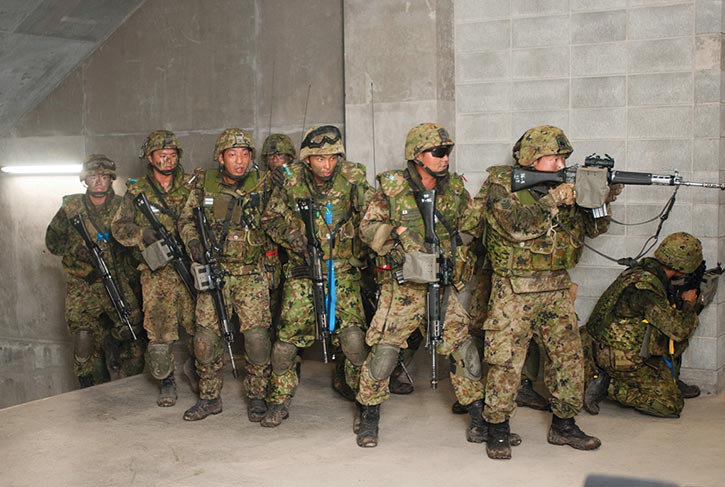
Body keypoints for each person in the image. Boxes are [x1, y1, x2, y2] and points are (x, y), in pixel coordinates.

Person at [479, 125, 616, 459]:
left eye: (562, 158)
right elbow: (516, 225)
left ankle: (564, 425)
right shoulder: (501, 184)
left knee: (568, 356)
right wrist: (555, 199)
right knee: (505, 361)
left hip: (555, 285)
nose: (559, 164)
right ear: (531, 157)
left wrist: (600, 198)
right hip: (514, 287)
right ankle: (497, 428)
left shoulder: (566, 184)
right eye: (553, 157)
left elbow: (595, 230)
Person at [355, 122, 494, 449]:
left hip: (443, 285)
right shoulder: (392, 189)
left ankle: (478, 415)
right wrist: (400, 234)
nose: (445, 158)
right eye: (438, 152)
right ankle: (369, 414)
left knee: (465, 350)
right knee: (385, 355)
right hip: (403, 291)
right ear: (416, 156)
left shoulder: (454, 190)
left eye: (447, 152)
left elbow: (475, 224)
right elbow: (367, 228)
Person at [260, 125, 372, 427]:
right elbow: (270, 219)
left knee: (353, 341)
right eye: (320, 159)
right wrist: (293, 238)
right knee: (285, 344)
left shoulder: (353, 178)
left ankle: (365, 402)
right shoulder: (291, 180)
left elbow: (373, 216)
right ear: (307, 159)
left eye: (333, 158)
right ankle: (278, 400)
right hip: (303, 272)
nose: (327, 165)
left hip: (342, 272)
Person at [178, 128, 278, 422]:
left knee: (257, 339)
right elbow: (186, 220)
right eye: (232, 155)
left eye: (245, 154)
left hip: (251, 273)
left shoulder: (264, 184)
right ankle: (209, 398)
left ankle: (257, 396)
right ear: (220, 158)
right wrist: (193, 243)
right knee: (206, 339)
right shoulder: (202, 185)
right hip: (214, 269)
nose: (239, 161)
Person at [111, 130, 196, 407]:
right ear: (150, 157)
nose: (168, 161)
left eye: (172, 156)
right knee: (160, 331)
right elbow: (118, 227)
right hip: (157, 272)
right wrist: (141, 234)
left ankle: (196, 371)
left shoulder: (191, 186)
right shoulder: (137, 191)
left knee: (199, 325)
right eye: (162, 155)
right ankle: (166, 381)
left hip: (188, 267)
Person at [46, 154, 145, 388]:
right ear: (85, 180)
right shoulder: (71, 207)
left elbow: (134, 245)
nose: (98, 181)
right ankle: (90, 389)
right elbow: (52, 241)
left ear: (111, 179)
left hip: (118, 281)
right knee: (84, 339)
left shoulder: (124, 205)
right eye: (92, 177)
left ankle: (128, 384)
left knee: (133, 333)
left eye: (104, 177)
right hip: (84, 284)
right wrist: (77, 250)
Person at [583, 232, 705, 418]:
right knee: (670, 405)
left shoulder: (642, 271)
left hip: (600, 344)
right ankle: (609, 385)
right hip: (618, 357)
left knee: (670, 329)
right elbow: (679, 330)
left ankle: (672, 379)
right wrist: (689, 303)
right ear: (682, 268)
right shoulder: (646, 289)